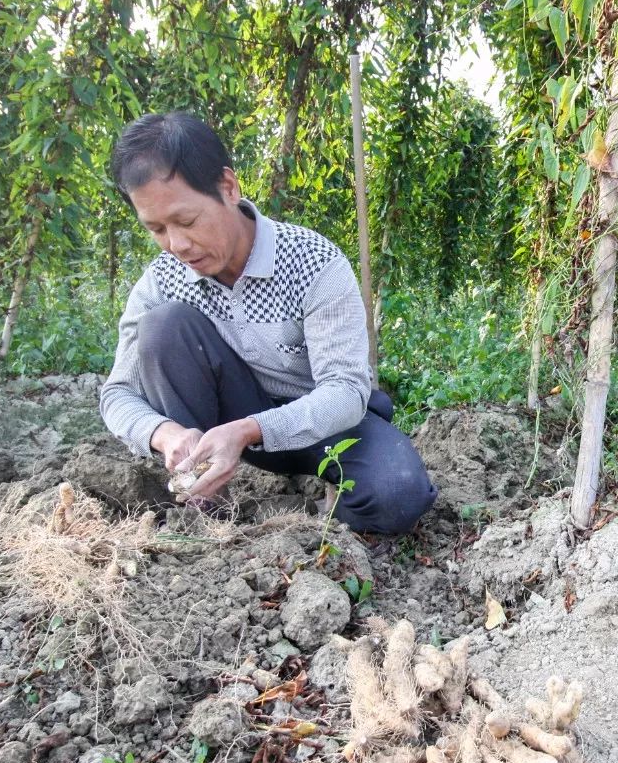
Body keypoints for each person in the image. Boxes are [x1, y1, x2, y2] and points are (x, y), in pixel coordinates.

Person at [99, 111, 438, 534]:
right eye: (157, 229)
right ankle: (211, 511)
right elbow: (117, 394)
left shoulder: (312, 263)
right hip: (223, 431)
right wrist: (166, 434)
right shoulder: (162, 282)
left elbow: (346, 392)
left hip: (326, 426)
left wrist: (249, 431)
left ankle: (331, 523)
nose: (177, 244)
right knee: (163, 326)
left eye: (186, 221)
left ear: (228, 187)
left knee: (399, 494)